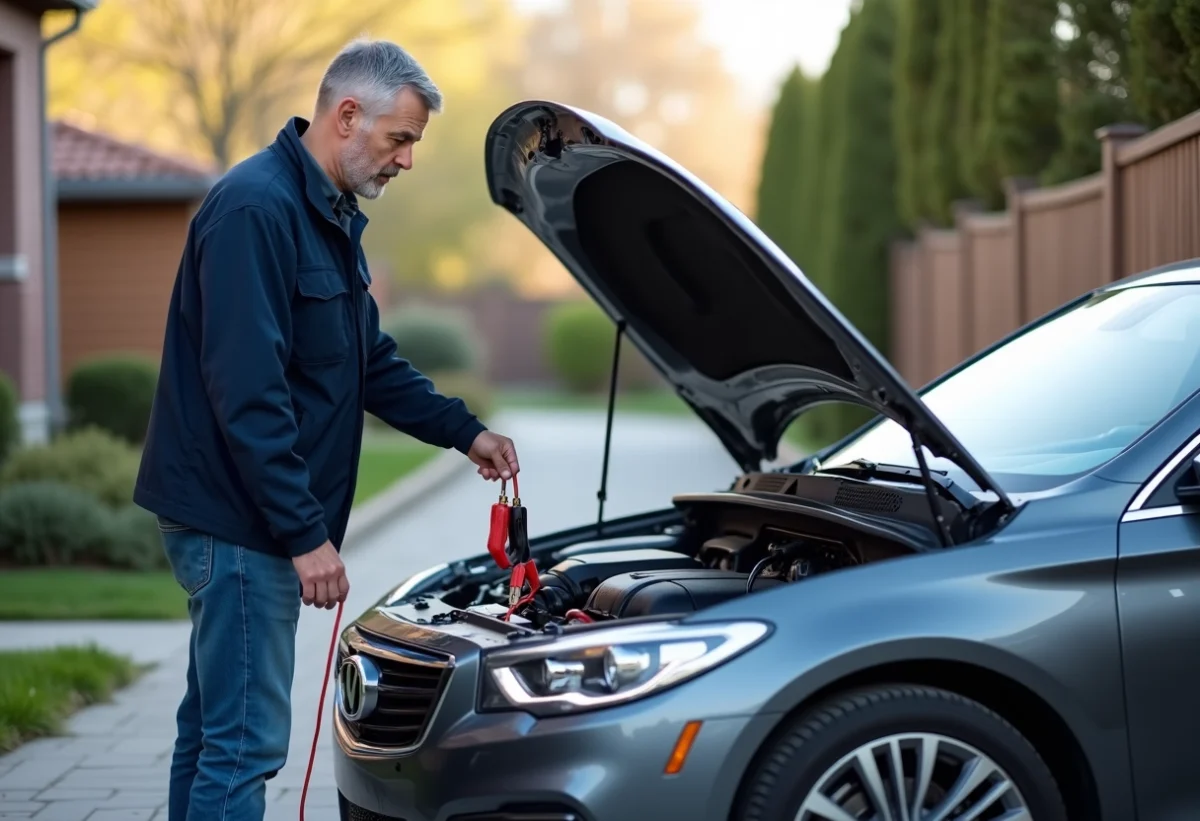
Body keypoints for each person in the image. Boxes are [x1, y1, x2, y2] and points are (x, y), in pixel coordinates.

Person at [134, 38, 519, 821]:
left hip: (242, 518)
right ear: (348, 115)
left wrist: (463, 432)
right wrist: (305, 534)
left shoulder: (325, 215)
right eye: (400, 139)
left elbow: (366, 360)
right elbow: (248, 392)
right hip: (238, 522)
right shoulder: (256, 209)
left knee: (211, 732)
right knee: (244, 745)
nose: (406, 160)